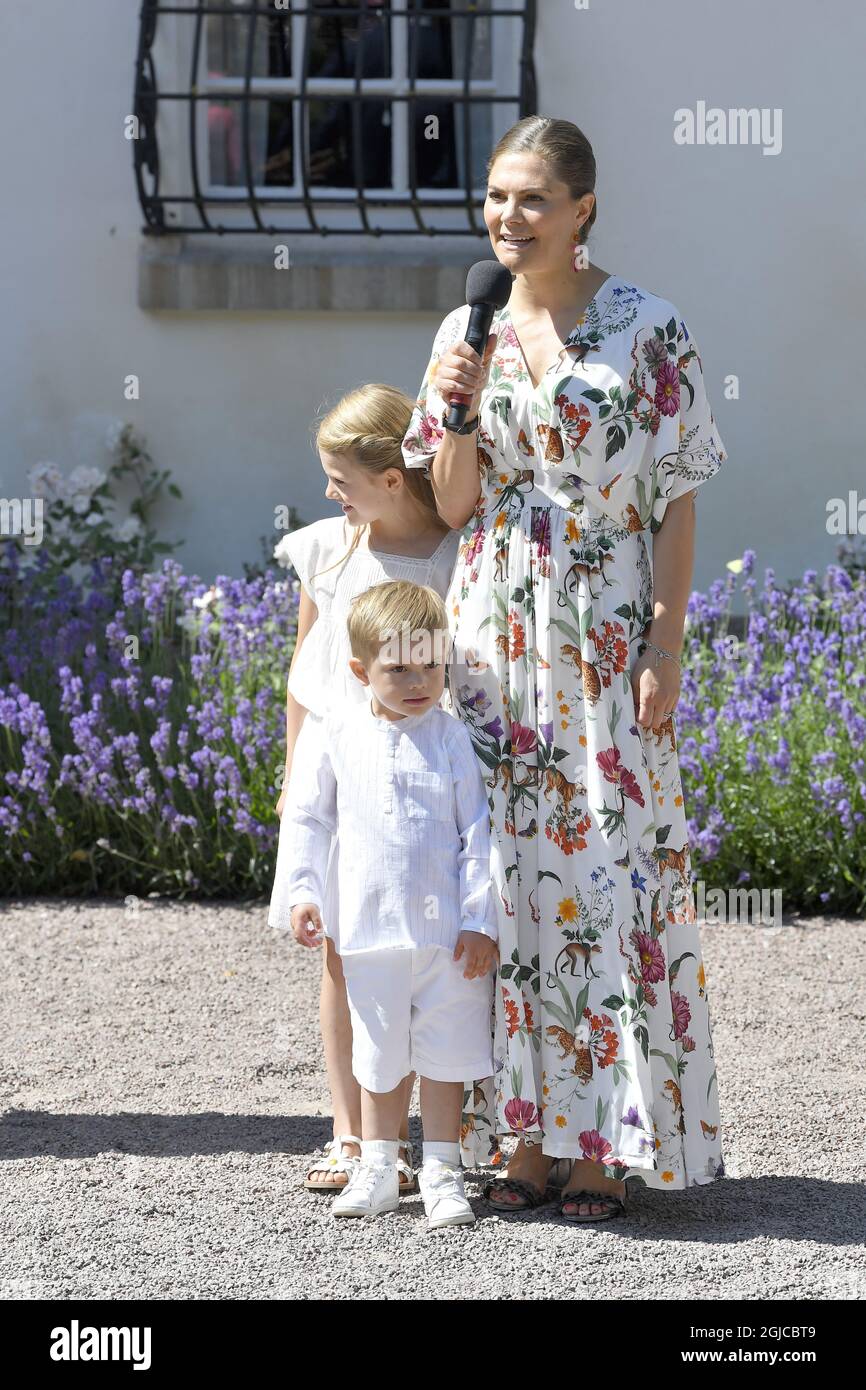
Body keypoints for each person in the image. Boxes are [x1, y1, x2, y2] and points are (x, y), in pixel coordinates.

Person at [401, 115, 728, 1222]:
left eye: (530, 198)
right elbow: (448, 503)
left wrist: (664, 647)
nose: (507, 217)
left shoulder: (648, 325)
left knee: (602, 877)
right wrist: (452, 396)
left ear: (582, 208)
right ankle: (523, 1136)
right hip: (491, 628)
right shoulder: (466, 322)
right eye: (495, 197)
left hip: (600, 623)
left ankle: (607, 1142)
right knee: (501, 876)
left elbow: (677, 493)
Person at [268, 384, 461, 1195]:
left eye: (339, 477)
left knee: (435, 953)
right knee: (345, 955)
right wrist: (291, 778)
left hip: (428, 782)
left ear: (391, 476)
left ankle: (432, 1141)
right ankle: (354, 1137)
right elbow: (307, 674)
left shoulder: (459, 554)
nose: (327, 493)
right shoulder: (328, 550)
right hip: (343, 776)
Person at [282, 581, 499, 1228]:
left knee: (446, 1050)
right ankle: (378, 1165)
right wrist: (302, 890)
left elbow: (477, 834)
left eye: (430, 666)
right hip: (368, 928)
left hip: (447, 938)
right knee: (377, 1051)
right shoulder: (336, 733)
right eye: (397, 668)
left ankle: (442, 1170)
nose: (416, 681)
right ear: (360, 670)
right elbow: (309, 819)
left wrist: (479, 920)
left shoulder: (452, 739)